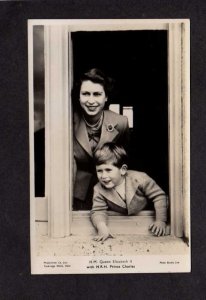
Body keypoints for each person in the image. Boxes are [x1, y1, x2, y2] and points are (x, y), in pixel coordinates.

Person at [72, 68, 129, 210]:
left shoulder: (121, 122)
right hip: (77, 192)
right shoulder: (68, 122)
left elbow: (123, 158)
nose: (91, 100)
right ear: (78, 97)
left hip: (111, 189)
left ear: (106, 97)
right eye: (86, 94)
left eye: (97, 94)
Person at [90, 142, 168, 241]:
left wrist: (161, 220)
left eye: (108, 170)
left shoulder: (140, 179)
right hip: (124, 224)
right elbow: (98, 210)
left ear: (123, 170)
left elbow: (159, 196)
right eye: (99, 171)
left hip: (145, 217)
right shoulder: (98, 188)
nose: (103, 176)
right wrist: (102, 227)